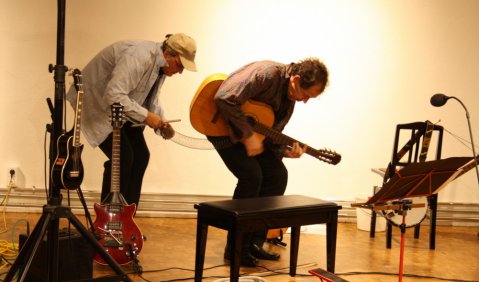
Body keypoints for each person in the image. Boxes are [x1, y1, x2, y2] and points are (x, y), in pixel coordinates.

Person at [207, 58, 329, 266]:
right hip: (221, 129)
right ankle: (235, 247)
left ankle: (254, 242)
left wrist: (284, 152)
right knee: (251, 176)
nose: (305, 101)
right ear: (296, 79)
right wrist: (247, 135)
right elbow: (224, 97)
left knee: (277, 175)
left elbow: (269, 134)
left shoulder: (289, 101)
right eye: (306, 95)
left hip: (246, 134)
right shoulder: (266, 73)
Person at [66, 33, 197, 209]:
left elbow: (151, 98)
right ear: (168, 54)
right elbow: (113, 95)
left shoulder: (160, 67)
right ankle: (107, 222)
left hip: (121, 109)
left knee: (141, 156)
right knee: (123, 158)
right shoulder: (139, 56)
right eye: (180, 65)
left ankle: (127, 221)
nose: (180, 71)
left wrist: (162, 123)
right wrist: (147, 117)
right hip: (97, 103)